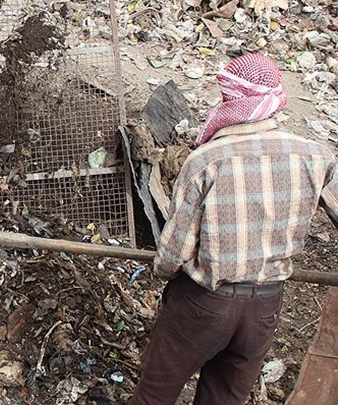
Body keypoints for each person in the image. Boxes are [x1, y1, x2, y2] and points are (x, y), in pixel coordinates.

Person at [130, 53, 338, 404]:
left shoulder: (206, 161)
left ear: (229, 97)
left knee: (154, 396)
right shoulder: (317, 156)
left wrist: (162, 274)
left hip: (203, 303)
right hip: (265, 309)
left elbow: (173, 253)